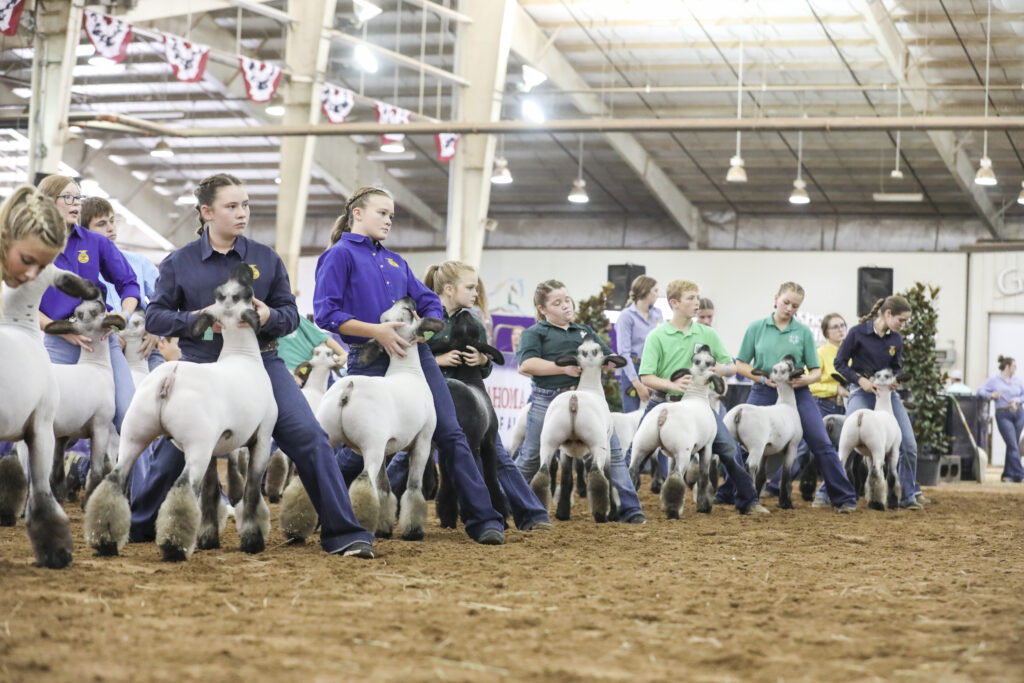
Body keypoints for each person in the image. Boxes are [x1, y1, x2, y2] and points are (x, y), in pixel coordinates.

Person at [127, 173, 375, 558]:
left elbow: (292, 315)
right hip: (203, 365)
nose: (242, 213)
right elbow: (156, 316)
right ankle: (140, 525)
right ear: (207, 212)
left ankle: (344, 533)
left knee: (309, 439)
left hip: (261, 364)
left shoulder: (266, 258)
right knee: (172, 454)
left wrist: (269, 315)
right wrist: (200, 317)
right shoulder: (179, 262)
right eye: (231, 206)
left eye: (245, 205)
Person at [313, 185, 506, 545]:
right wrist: (377, 331)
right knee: (354, 443)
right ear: (357, 213)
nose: (388, 220)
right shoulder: (338, 256)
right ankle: (320, 508)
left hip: (414, 358)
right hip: (369, 356)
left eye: (391, 215)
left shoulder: (395, 261)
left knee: (451, 433)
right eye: (381, 213)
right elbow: (326, 313)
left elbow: (429, 299)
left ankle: (484, 519)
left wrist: (424, 331)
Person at [417, 259, 550, 531]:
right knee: (408, 453)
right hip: (433, 396)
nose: (476, 293)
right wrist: (439, 360)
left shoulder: (474, 322)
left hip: (472, 397)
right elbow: (412, 354)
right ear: (450, 289)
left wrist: (481, 361)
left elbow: (487, 364)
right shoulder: (427, 320)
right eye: (470, 287)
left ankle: (532, 514)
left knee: (496, 454)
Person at [514, 279, 646, 524]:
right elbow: (526, 365)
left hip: (589, 398)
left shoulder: (584, 332)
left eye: (567, 299)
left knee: (613, 454)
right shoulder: (535, 333)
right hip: (548, 398)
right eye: (557, 303)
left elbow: (608, 355)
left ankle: (631, 509)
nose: (566, 306)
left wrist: (608, 361)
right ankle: (507, 504)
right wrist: (561, 369)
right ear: (542, 309)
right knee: (531, 456)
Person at [636, 279, 769, 516]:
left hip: (699, 407)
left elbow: (732, 366)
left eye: (698, 298)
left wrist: (718, 369)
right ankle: (624, 503)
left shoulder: (707, 333)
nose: (697, 303)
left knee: (729, 449)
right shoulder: (657, 335)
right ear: (675, 303)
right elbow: (646, 376)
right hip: (664, 401)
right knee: (633, 453)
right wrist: (671, 384)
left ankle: (748, 500)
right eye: (691, 298)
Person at [729, 282, 858, 513]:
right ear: (776, 298)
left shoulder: (803, 333)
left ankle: (844, 497)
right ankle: (735, 495)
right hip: (764, 389)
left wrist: (805, 381)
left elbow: (816, 371)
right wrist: (761, 379)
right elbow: (740, 364)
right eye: (786, 302)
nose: (789, 308)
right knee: (740, 443)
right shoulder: (756, 328)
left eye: (795, 306)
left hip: (797, 393)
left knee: (821, 442)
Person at [35, 175, 140, 430]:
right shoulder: (31, 245)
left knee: (129, 416)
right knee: (44, 421)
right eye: (68, 197)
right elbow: (19, 301)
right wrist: (56, 330)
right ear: (48, 202)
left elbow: (129, 284)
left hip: (103, 341)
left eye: (78, 197)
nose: (76, 204)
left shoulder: (96, 243)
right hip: (58, 343)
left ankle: (129, 471)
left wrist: (125, 314)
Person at [832, 294, 926, 509]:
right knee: (848, 440)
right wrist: (860, 380)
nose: (903, 325)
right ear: (888, 313)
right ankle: (830, 493)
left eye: (906, 321)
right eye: (901, 320)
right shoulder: (857, 333)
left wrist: (895, 381)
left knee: (909, 445)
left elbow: (897, 367)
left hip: (887, 395)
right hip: (861, 392)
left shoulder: (896, 339)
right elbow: (840, 363)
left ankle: (907, 496)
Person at [764, 312, 849, 496]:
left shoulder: (850, 355)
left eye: (842, 325)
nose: (841, 330)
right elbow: (813, 383)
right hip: (822, 404)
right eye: (835, 327)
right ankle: (775, 486)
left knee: (839, 449)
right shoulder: (821, 353)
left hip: (844, 406)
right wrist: (835, 390)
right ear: (826, 333)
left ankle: (835, 490)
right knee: (804, 448)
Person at [80, 199, 163, 371]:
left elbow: (164, 302)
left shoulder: (140, 263)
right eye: (102, 224)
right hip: (100, 348)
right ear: (83, 231)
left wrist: (157, 332)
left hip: (143, 347)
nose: (111, 228)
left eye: (112, 221)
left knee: (164, 386)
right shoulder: (78, 268)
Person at [615, 275, 663, 413]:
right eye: (655, 290)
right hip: (633, 369)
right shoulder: (626, 316)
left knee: (656, 414)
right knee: (631, 415)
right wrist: (637, 384)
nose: (657, 294)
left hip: (654, 369)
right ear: (646, 292)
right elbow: (623, 353)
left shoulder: (658, 314)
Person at [977, 355, 1024, 482]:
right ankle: (1020, 473)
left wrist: (1018, 400)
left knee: (1012, 445)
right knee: (1012, 444)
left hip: (1019, 413)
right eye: (1014, 365)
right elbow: (980, 391)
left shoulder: (1017, 381)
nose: (1016, 368)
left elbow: (1023, 395)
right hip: (1003, 414)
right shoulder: (994, 380)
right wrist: (991, 395)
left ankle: (1008, 475)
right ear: (1007, 367)